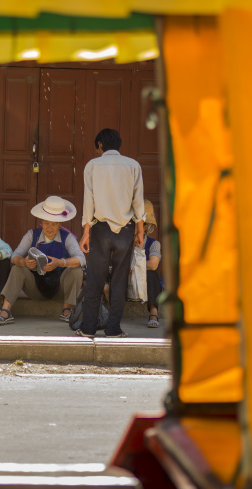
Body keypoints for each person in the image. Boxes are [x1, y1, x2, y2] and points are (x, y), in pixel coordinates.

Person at [77, 128, 145, 339]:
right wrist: (140, 230)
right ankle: (113, 329)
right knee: (119, 281)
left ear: (99, 146)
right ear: (119, 145)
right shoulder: (133, 165)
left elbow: (89, 201)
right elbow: (138, 201)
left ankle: (88, 328)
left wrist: (85, 231)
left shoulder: (92, 166)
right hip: (125, 231)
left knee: (95, 280)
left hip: (100, 230)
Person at [0, 196, 86, 325]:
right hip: (35, 287)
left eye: (54, 224)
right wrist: (23, 262)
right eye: (46, 223)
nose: (49, 227)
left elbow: (81, 258)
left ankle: (67, 309)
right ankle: (6, 310)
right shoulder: (32, 235)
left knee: (76, 270)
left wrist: (60, 262)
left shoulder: (67, 238)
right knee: (17, 268)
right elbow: (15, 256)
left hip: (60, 288)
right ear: (41, 221)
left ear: (60, 224)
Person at [142, 199, 163, 328]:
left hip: (145, 281)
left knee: (152, 274)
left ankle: (154, 312)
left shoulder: (153, 244)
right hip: (127, 278)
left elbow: (153, 264)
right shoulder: (123, 243)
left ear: (145, 227)